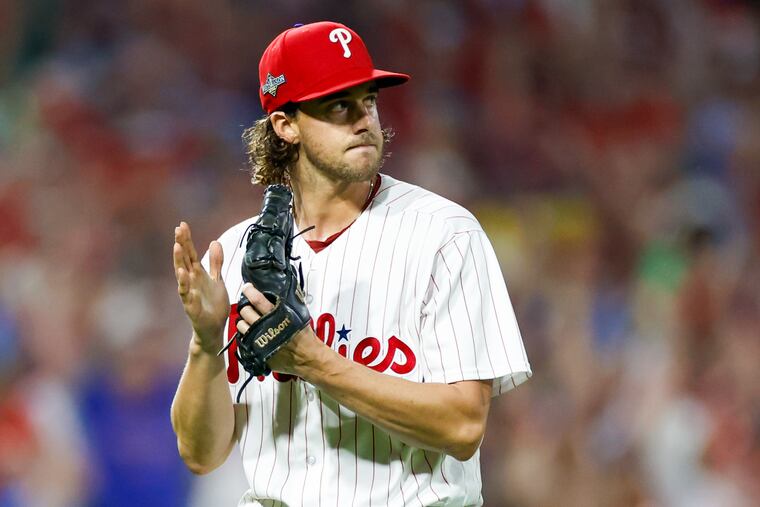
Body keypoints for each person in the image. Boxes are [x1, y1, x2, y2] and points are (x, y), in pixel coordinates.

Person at [171, 21, 531, 506]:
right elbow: (203, 454)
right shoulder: (237, 254)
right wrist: (205, 342)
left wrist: (313, 361)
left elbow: (464, 425)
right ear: (285, 125)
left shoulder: (443, 235)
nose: (364, 120)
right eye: (338, 106)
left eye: (369, 100)